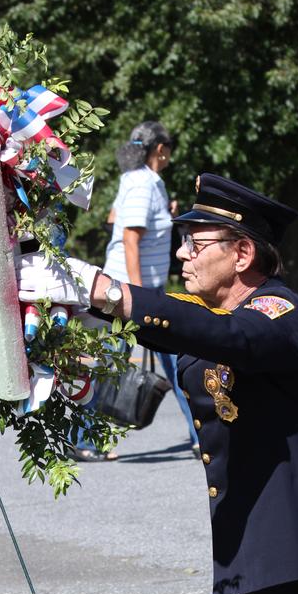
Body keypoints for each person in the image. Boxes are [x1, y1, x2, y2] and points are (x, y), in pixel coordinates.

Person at [17, 173, 298, 594]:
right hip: (266, 554)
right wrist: (78, 303)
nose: (183, 254)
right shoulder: (211, 315)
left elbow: (234, 338)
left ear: (243, 253)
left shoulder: (284, 311)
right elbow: (168, 322)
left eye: (197, 242)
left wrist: (110, 291)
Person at [73, 120, 199, 460]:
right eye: (169, 149)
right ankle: (84, 441)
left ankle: (201, 435)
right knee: (126, 363)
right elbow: (129, 237)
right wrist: (139, 298)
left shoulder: (135, 180)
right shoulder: (145, 183)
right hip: (129, 293)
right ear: (161, 149)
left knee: (169, 363)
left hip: (129, 289)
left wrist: (165, 215)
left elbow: (114, 218)